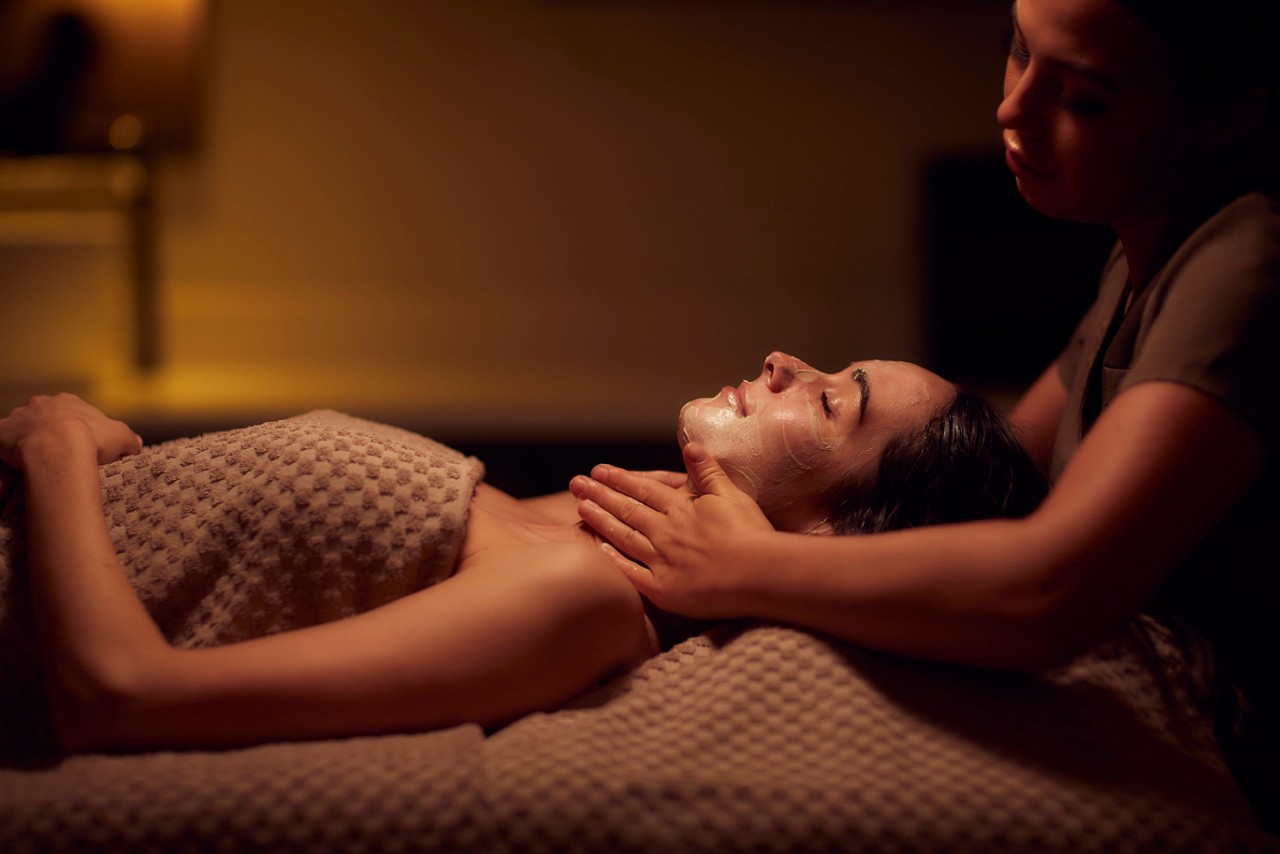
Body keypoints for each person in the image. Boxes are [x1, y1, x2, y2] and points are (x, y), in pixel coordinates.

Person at [570, 0, 1280, 830]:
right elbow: (988, 459)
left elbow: (1051, 589)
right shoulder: (1141, 248)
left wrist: (747, 566)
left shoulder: (1244, 269)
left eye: (1083, 99)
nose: (1012, 108)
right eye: (1019, 50)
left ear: (1228, 115)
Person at [0, 353, 1045, 753]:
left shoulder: (578, 592)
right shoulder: (579, 519)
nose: (783, 360)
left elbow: (121, 697)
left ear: (833, 535)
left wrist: (56, 447)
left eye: (827, 400)